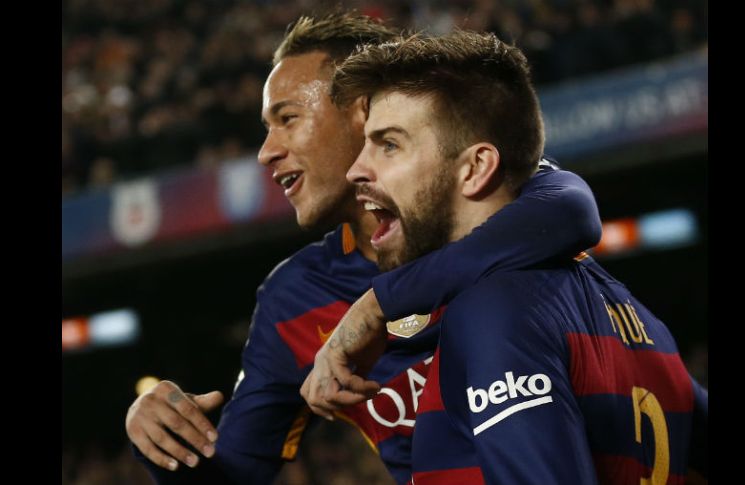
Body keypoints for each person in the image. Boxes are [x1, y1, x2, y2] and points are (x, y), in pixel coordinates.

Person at [125, 14, 603, 485]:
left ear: (362, 109)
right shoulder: (295, 298)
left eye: (288, 119)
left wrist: (376, 305)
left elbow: (572, 211)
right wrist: (165, 443)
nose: (266, 151)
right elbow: (234, 474)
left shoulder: (478, 196)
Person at [302, 30, 708, 484]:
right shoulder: (636, 317)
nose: (356, 170)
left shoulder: (494, 310)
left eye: (390, 144)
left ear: (476, 168)